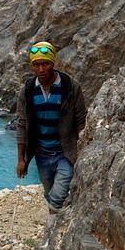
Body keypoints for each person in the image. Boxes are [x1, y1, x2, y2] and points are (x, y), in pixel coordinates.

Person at [16, 41, 87, 213]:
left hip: (65, 152)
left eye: (45, 64)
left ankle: (53, 223)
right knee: (49, 193)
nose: (41, 69)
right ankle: (58, 216)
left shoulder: (70, 87)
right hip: (42, 154)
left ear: (53, 63)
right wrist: (21, 159)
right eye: (36, 65)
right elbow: (22, 125)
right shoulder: (27, 90)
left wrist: (83, 151)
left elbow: (81, 120)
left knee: (57, 197)